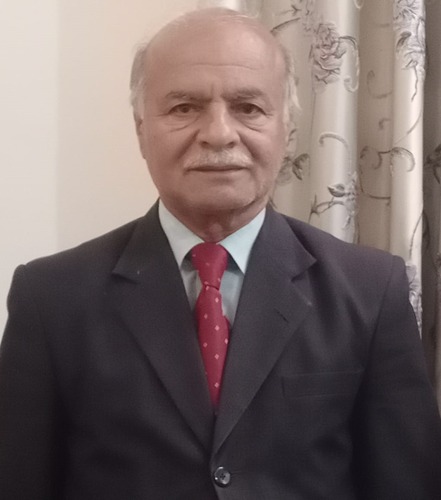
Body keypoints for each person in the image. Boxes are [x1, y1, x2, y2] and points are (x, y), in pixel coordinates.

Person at [0, 7, 440, 500]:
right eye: (184, 107)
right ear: (141, 129)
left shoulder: (370, 290)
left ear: (288, 130)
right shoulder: (51, 298)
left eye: (248, 107)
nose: (218, 133)